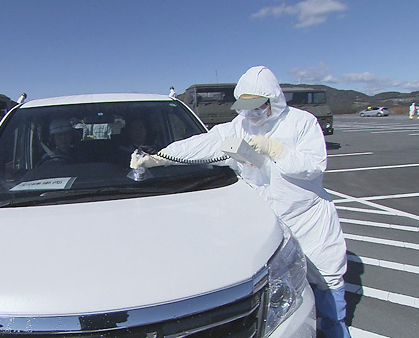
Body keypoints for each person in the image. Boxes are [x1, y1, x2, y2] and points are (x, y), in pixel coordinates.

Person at [131, 66, 350, 338]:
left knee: (327, 281)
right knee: (281, 290)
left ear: (274, 100)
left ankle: (334, 331)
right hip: (265, 221)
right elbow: (201, 145)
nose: (252, 113)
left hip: (307, 219)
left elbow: (314, 166)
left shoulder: (301, 123)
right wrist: (160, 157)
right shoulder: (238, 126)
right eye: (247, 107)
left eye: (258, 106)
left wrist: (276, 150)